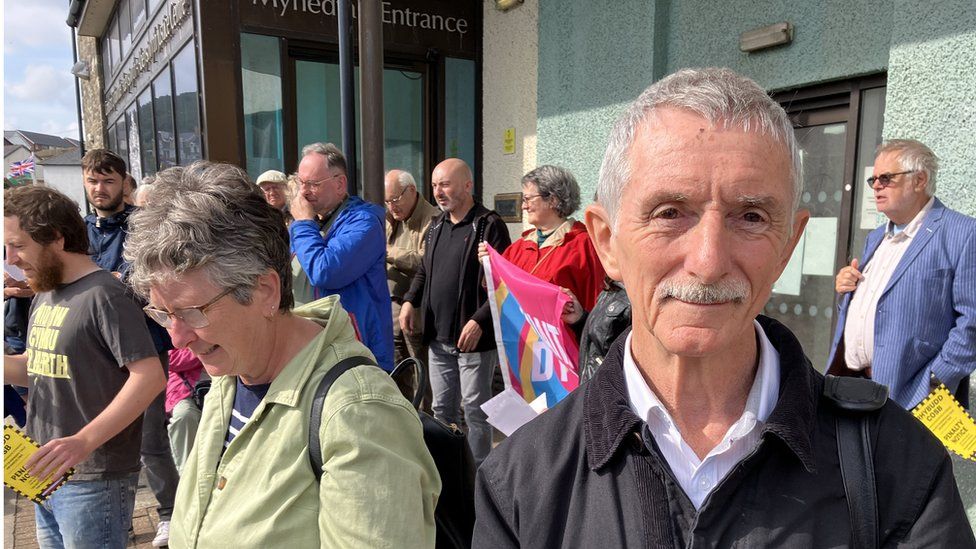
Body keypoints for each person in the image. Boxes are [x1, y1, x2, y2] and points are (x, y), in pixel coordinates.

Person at [473, 68, 974, 547]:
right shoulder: (521, 479)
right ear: (606, 242)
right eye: (669, 213)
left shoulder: (895, 460)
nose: (709, 262)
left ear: (788, 245)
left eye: (751, 216)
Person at [124, 161, 440, 547]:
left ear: (266, 292)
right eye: (163, 313)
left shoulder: (358, 414)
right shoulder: (235, 369)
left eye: (192, 312)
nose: (177, 338)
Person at [3, 185, 165, 549]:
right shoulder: (45, 291)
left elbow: (150, 376)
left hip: (93, 476)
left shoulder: (106, 294)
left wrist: (83, 442)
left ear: (56, 239)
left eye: (19, 245)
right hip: (42, 467)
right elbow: (36, 367)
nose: (11, 258)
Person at [827, 139, 976, 409]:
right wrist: (847, 293)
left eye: (886, 178)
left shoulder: (963, 233)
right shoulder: (875, 238)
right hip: (855, 386)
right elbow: (883, 307)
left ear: (919, 180)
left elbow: (972, 323)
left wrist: (934, 382)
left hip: (912, 398)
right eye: (873, 180)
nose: (877, 187)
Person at [82, 148, 179, 547]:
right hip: (98, 350)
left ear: (124, 182)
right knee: (107, 437)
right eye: (92, 181)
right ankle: (117, 515)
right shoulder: (79, 229)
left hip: (144, 344)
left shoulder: (142, 225)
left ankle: (171, 511)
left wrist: (103, 280)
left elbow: (150, 276)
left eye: (107, 180)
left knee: (150, 439)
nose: (99, 189)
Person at [400, 158, 511, 466]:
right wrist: (410, 300)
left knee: (475, 411)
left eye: (445, 184)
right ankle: (446, 475)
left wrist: (479, 321)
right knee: (441, 411)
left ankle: (478, 479)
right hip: (438, 337)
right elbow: (424, 270)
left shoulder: (488, 225)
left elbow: (504, 283)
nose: (438, 192)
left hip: (473, 339)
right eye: (435, 185)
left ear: (467, 185)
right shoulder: (436, 225)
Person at [290, 143, 394, 371]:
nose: (304, 192)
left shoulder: (364, 222)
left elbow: (325, 271)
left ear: (339, 184)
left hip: (355, 354)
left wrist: (304, 224)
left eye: (313, 184)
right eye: (301, 183)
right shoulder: (311, 222)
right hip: (314, 347)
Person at [476, 165, 605, 340]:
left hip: (566, 350)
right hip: (525, 349)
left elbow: (598, 304)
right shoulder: (519, 247)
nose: (523, 206)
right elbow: (501, 293)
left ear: (552, 200)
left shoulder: (584, 245)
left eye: (528, 199)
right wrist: (490, 265)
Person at [385, 169, 439, 366]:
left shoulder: (433, 219)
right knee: (397, 369)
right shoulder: (389, 219)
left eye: (395, 199)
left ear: (411, 190)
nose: (391, 206)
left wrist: (387, 251)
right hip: (390, 306)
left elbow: (425, 262)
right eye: (387, 201)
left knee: (420, 370)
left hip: (416, 308)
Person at [164, 348, 205, 474]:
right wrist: (207, 350)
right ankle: (186, 473)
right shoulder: (171, 330)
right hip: (185, 390)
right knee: (184, 415)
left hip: (222, 384)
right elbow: (173, 360)